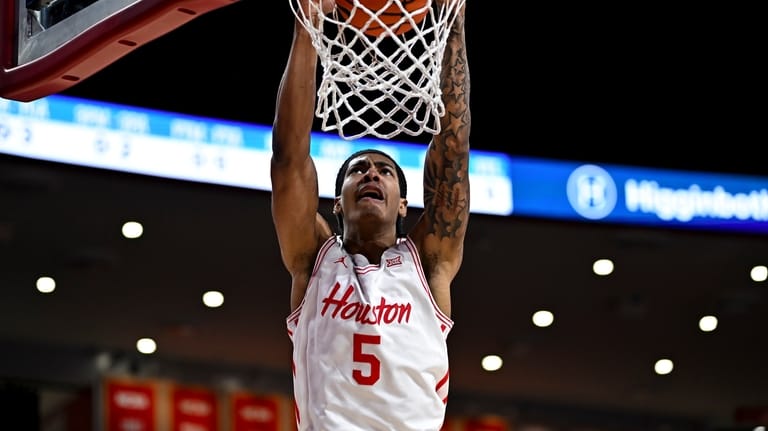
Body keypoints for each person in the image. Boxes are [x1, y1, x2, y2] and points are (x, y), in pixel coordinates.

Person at [270, 0, 471, 429]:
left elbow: (451, 156)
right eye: (357, 169)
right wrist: (307, 23)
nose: (370, 174)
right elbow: (289, 160)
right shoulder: (313, 261)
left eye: (384, 170)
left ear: (403, 204)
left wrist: (453, 23)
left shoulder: (429, 265)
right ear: (337, 202)